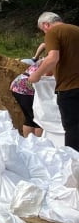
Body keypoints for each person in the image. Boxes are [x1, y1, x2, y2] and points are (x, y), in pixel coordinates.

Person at [28, 11, 79, 149]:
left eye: (42, 30)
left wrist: (36, 75)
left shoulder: (53, 32)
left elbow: (52, 58)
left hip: (69, 88)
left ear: (46, 24)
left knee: (73, 128)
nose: (44, 34)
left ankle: (74, 163)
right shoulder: (76, 30)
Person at [11, 59, 45, 138]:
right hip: (25, 88)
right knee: (38, 119)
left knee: (30, 118)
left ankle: (29, 143)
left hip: (18, 85)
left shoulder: (46, 59)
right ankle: (39, 145)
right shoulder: (52, 60)